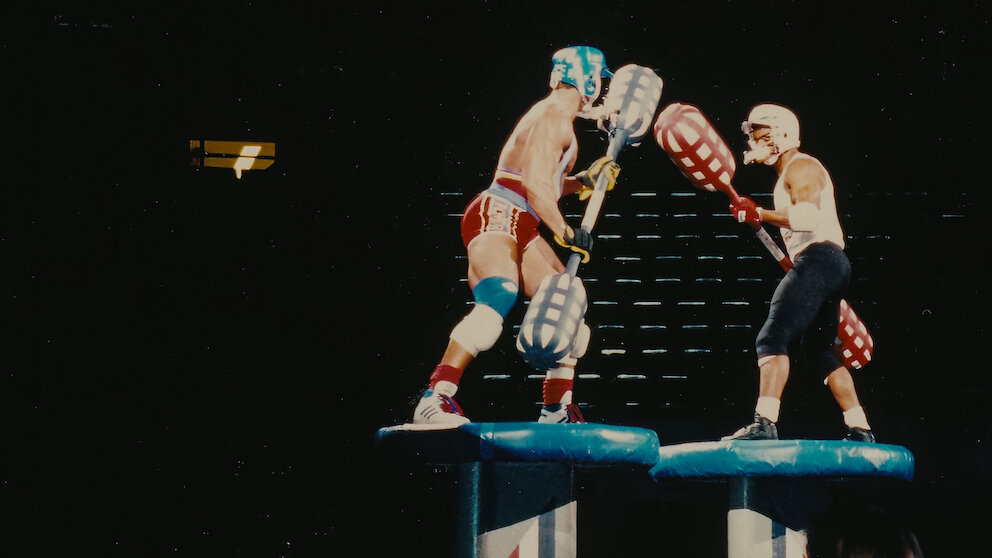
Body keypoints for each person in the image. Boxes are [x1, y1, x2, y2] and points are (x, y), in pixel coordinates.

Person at [411, 46, 621, 426]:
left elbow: (542, 183)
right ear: (588, 79)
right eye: (600, 80)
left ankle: (556, 410)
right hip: (499, 210)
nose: (602, 90)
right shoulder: (552, 118)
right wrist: (565, 232)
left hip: (520, 218)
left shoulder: (558, 119)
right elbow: (534, 186)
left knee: (567, 303)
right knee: (498, 295)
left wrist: (583, 181)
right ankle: (434, 398)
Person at [722, 103, 875, 442]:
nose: (754, 141)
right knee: (820, 352)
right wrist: (758, 216)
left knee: (771, 337)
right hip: (829, 262)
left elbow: (807, 218)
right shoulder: (791, 172)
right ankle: (860, 427)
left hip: (819, 259)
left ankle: (765, 422)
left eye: (760, 133)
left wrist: (760, 213)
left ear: (779, 133)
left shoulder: (800, 166)